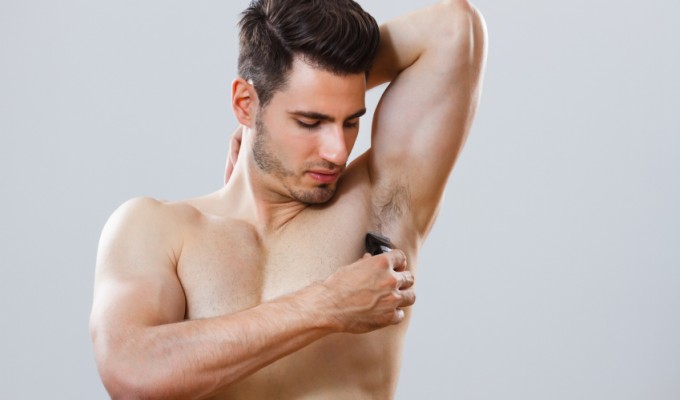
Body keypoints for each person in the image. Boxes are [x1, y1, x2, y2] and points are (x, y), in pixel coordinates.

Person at [89, 0, 487, 398]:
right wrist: (326, 305)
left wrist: (299, 94)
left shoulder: (377, 202)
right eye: (310, 121)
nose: (337, 151)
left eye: (350, 121)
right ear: (244, 103)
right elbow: (132, 371)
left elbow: (454, 28)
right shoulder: (156, 228)